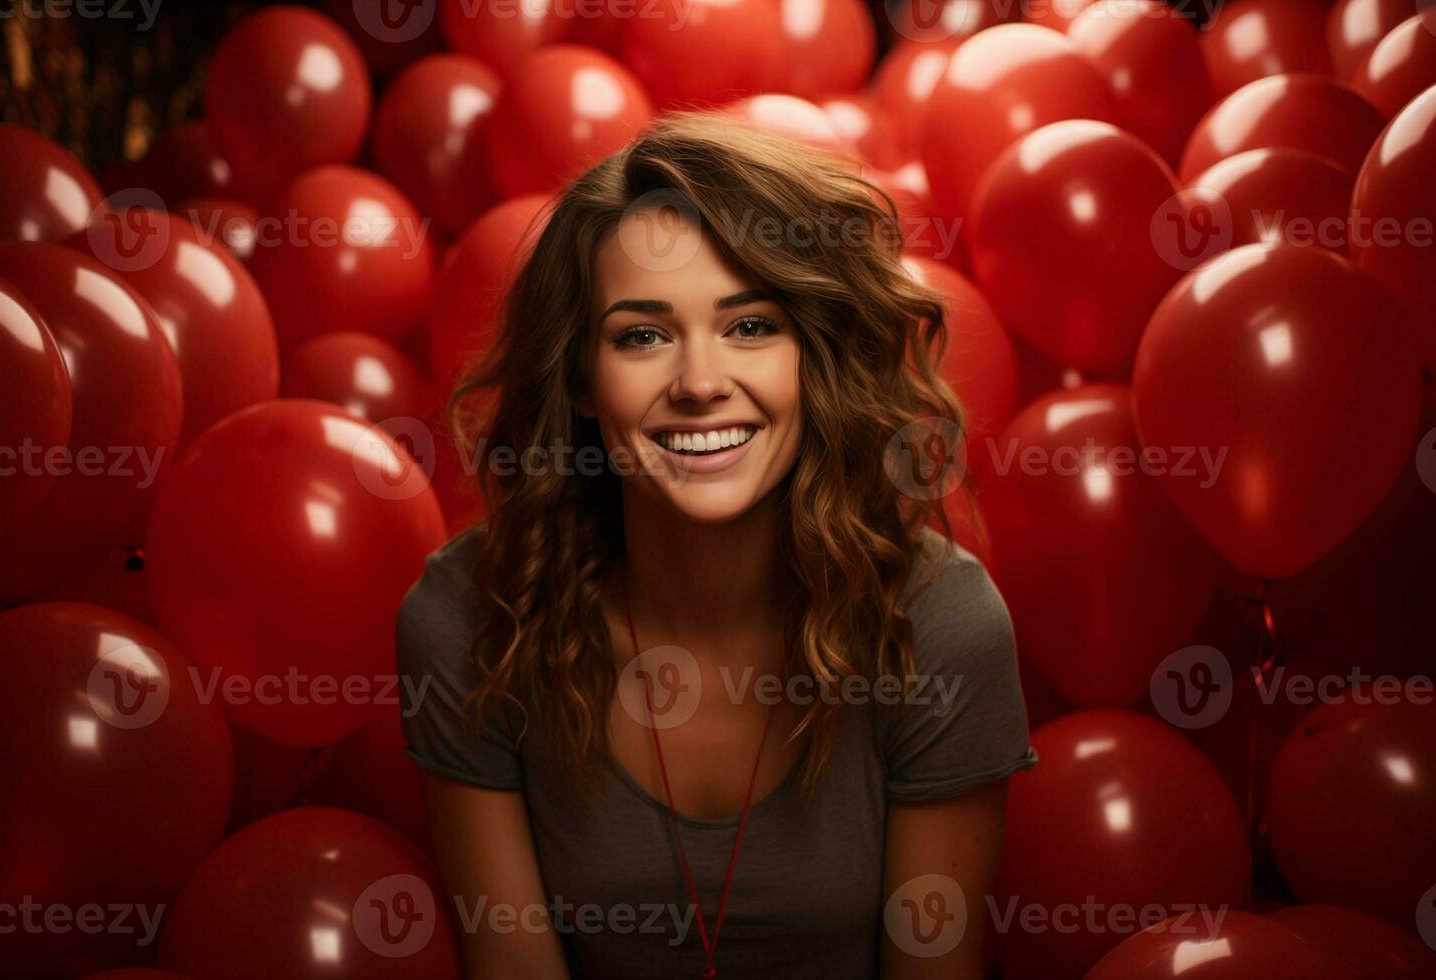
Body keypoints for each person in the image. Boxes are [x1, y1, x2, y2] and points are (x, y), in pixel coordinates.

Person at [395, 109, 1038, 980]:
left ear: (812, 356)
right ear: (581, 377)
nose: (701, 383)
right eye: (643, 336)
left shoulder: (942, 626)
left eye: (750, 326)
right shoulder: (470, 616)